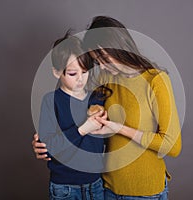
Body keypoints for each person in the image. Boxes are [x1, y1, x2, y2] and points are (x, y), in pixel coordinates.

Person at [33, 16, 182, 200]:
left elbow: (172, 146)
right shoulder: (105, 80)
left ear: (119, 46)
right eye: (97, 61)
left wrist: (119, 128)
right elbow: (76, 110)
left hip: (144, 192)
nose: (101, 66)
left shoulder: (156, 81)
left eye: (103, 58)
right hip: (107, 188)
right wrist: (43, 143)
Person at [36, 31, 108, 200]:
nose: (80, 79)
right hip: (64, 187)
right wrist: (83, 129)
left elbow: (106, 141)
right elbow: (49, 147)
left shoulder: (97, 98)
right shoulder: (51, 101)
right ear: (56, 72)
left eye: (85, 72)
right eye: (72, 74)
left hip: (96, 183)